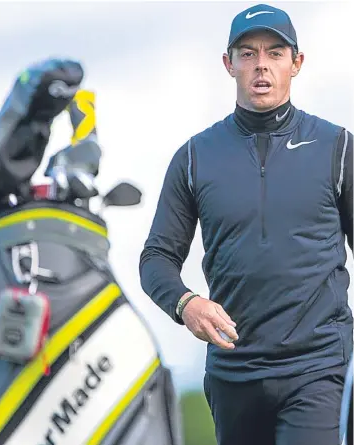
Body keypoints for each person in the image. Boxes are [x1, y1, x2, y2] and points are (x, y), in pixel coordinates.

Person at [139, 3, 353, 445]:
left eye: (275, 53)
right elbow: (156, 258)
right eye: (248, 53)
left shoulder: (337, 147)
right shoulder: (196, 157)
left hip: (319, 368)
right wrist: (186, 304)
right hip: (233, 373)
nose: (262, 66)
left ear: (296, 63)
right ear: (228, 64)